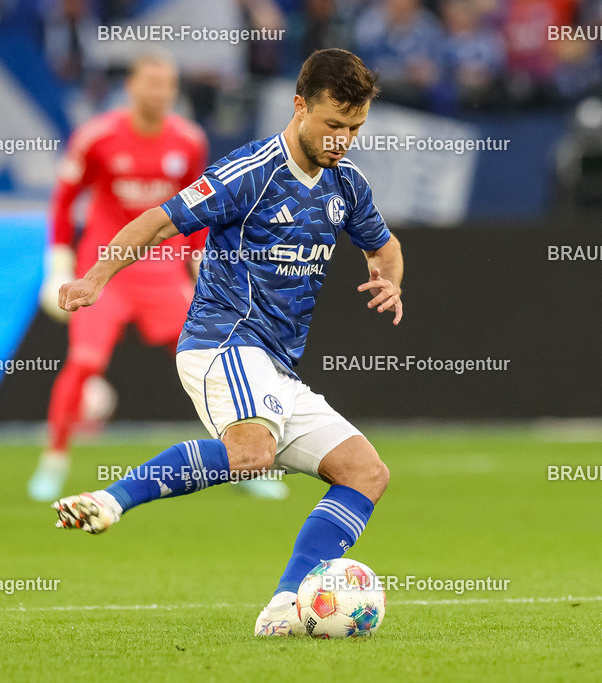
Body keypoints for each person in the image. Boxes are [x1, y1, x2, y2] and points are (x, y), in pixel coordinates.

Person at [51, 48, 403, 637]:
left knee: (366, 472)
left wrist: (389, 282)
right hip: (224, 339)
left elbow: (383, 246)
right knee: (251, 456)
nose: (343, 139)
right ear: (299, 106)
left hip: (278, 366)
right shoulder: (251, 173)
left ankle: (286, 605)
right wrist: (94, 277)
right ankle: (111, 501)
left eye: (355, 128)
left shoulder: (346, 183)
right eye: (334, 125)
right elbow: (159, 220)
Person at [29, 54, 208, 501]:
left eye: (167, 84)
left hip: (163, 269)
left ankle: (245, 458)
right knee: (85, 363)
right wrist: (58, 261)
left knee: (206, 363)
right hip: (105, 268)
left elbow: (198, 205)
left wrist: (198, 260)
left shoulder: (188, 141)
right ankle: (54, 459)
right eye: (151, 83)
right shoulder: (97, 137)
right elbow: (65, 198)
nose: (159, 92)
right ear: (130, 87)